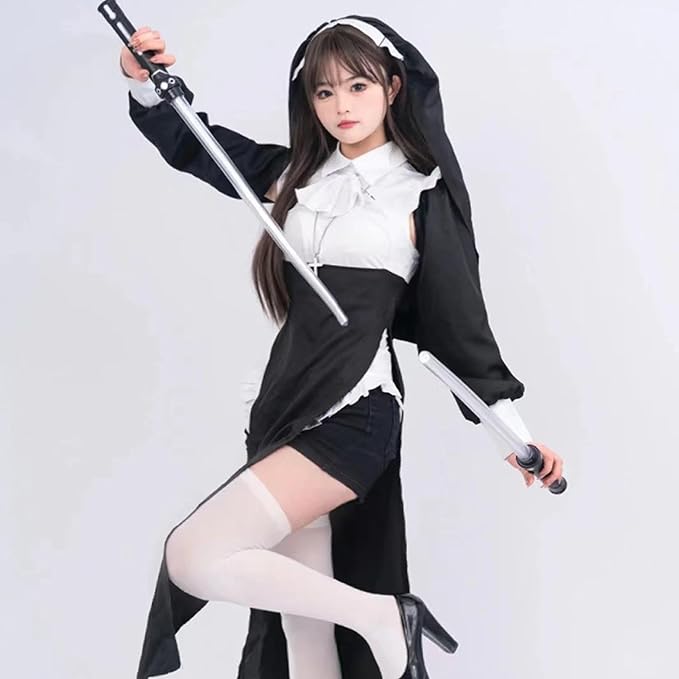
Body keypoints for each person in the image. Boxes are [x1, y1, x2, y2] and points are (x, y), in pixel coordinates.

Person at [119, 15, 565, 679]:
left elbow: (461, 328)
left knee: (194, 554)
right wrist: (144, 84)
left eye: (357, 86)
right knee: (301, 631)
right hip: (282, 405)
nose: (341, 105)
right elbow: (198, 144)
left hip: (354, 411)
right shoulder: (294, 177)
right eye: (323, 91)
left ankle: (386, 617)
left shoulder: (421, 196)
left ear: (392, 87)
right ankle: (378, 620)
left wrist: (515, 436)